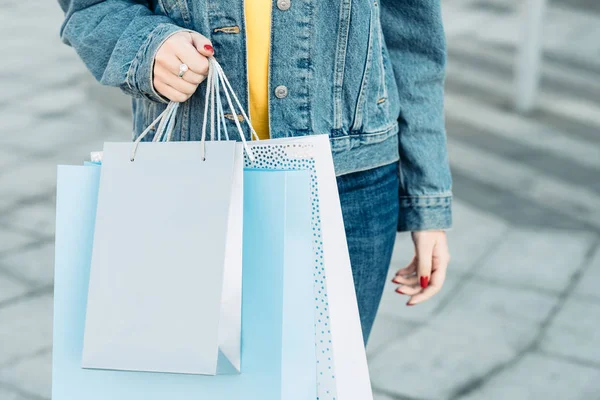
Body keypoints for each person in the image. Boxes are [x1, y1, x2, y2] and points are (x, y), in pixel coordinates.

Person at [58, 0, 452, 344]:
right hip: (192, 171)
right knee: (184, 374)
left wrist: (427, 197)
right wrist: (147, 45)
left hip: (349, 182)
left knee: (321, 385)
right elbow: (91, 5)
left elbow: (412, 40)